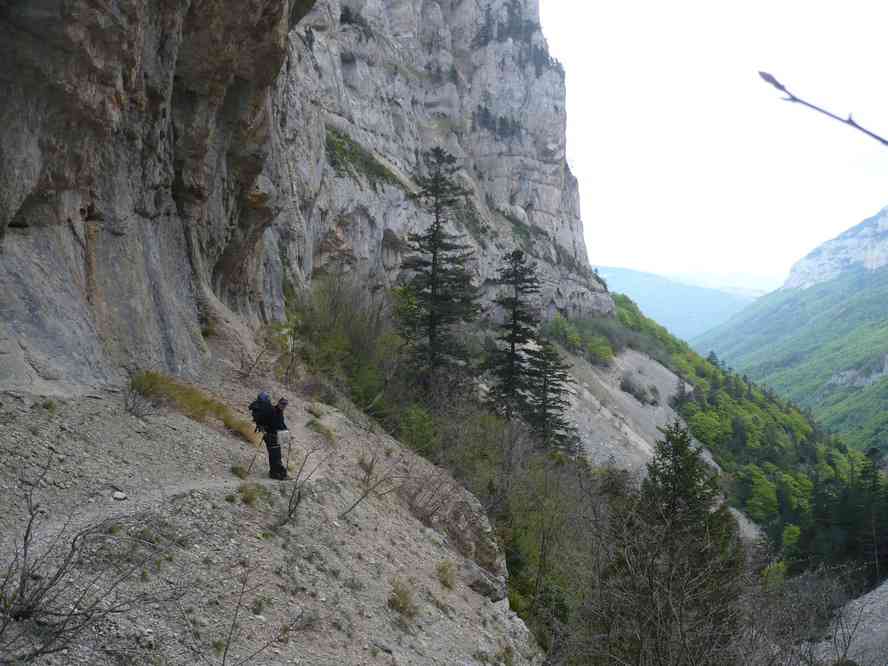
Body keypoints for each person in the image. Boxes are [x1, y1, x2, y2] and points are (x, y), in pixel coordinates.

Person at [264, 397, 289, 480]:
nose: (284, 406)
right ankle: (275, 473)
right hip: (270, 436)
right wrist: (283, 430)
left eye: (285, 405)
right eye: (282, 404)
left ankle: (277, 473)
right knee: (274, 455)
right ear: (278, 403)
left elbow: (281, 423)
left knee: (276, 455)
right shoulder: (273, 411)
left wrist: (286, 431)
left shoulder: (280, 412)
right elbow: (274, 424)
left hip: (275, 436)